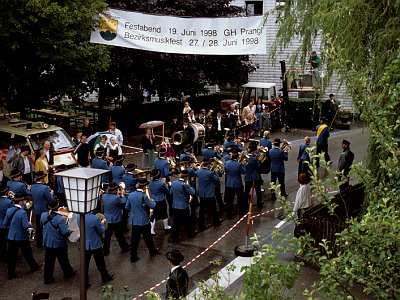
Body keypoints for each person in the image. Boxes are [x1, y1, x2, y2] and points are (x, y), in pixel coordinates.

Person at [4, 194, 42, 280]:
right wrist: (30, 224)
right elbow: (25, 226)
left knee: (12, 256)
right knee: (27, 253)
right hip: (21, 237)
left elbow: (5, 223)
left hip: (11, 236)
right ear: (21, 201)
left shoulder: (9, 210)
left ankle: (11, 273)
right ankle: (33, 266)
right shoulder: (22, 212)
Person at [41, 199, 75, 284]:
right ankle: (68, 273)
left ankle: (48, 278)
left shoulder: (43, 215)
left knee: (49, 261)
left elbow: (42, 224)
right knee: (63, 260)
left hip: (48, 242)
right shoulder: (60, 219)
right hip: (59, 243)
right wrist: (70, 230)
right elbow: (65, 232)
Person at [125, 178, 159, 262]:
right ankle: (152, 251)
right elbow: (152, 206)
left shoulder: (131, 194)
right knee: (148, 238)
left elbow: (127, 207)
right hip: (143, 220)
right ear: (144, 186)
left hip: (134, 220)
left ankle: (133, 257)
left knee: (134, 240)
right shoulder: (144, 196)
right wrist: (153, 201)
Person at [77, 211, 114, 287]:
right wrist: (102, 223)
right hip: (95, 244)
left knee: (85, 265)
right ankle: (105, 276)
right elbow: (101, 230)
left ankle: (85, 282)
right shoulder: (95, 218)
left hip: (85, 244)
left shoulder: (78, 217)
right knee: (100, 263)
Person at [102, 182, 130, 256]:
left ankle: (105, 250)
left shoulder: (104, 196)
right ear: (114, 190)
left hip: (107, 218)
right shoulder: (116, 198)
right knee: (119, 235)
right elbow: (124, 202)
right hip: (116, 219)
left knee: (107, 236)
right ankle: (124, 247)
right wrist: (122, 195)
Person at [169, 170, 196, 243]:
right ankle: (190, 233)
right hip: (183, 206)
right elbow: (193, 192)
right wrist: (192, 184)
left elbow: (170, 193)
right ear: (186, 177)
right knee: (188, 221)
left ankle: (175, 237)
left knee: (176, 223)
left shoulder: (174, 183)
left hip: (175, 205)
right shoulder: (185, 185)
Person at [31, 171, 54, 247]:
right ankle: (46, 241)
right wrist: (52, 194)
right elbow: (50, 200)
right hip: (44, 209)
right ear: (42, 179)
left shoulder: (32, 186)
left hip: (36, 208)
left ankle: (39, 242)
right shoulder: (45, 188)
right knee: (45, 226)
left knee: (38, 226)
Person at [197, 158, 221, 231]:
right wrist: (216, 172)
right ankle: (216, 221)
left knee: (201, 210)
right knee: (213, 209)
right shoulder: (209, 173)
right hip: (209, 193)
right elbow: (216, 179)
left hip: (202, 193)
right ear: (207, 164)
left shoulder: (199, 171)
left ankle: (200, 225)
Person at [148, 169, 171, 235]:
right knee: (164, 214)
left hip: (153, 200)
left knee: (154, 215)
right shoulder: (161, 184)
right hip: (161, 200)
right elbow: (166, 191)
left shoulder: (150, 182)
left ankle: (151, 230)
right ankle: (166, 227)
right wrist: (165, 183)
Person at [224, 151, 246, 218]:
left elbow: (225, 170)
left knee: (229, 200)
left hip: (229, 183)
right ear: (237, 157)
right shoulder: (238, 164)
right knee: (240, 199)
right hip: (237, 184)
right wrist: (243, 165)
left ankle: (229, 214)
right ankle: (241, 212)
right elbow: (244, 172)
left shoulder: (227, 163)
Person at [244, 144, 263, 209]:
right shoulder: (254, 159)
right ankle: (259, 204)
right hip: (254, 177)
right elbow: (258, 168)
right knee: (258, 192)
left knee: (246, 192)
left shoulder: (244, 158)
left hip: (247, 177)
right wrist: (259, 161)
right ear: (252, 152)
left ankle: (245, 205)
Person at [0, 184, 13, 262]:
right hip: (6, 224)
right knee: (10, 241)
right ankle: (10, 256)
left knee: (2, 242)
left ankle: (3, 256)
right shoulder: (9, 202)